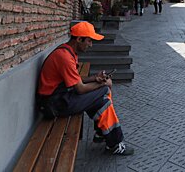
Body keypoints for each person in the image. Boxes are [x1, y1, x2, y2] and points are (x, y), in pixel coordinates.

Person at [36, 22, 134, 155]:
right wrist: (103, 84)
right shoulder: (64, 57)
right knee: (104, 93)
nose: (91, 45)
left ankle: (106, 136)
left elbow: (75, 80)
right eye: (89, 41)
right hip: (53, 105)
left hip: (59, 98)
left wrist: (95, 78)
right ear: (79, 39)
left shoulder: (68, 52)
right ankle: (110, 139)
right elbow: (80, 89)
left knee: (101, 99)